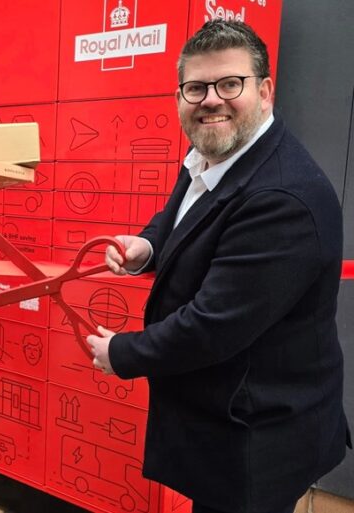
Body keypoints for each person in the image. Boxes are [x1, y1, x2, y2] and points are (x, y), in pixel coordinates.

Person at [87, 19, 350, 513]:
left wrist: (122, 352)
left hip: (257, 433)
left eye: (230, 83)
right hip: (226, 415)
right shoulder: (214, 152)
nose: (211, 99)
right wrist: (148, 246)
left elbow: (215, 325)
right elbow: (186, 219)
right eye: (196, 87)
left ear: (265, 90)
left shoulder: (282, 197)